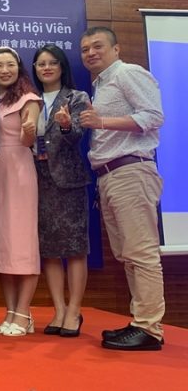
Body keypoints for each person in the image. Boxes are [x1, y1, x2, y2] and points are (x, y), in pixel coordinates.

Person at [78, 27, 165, 351]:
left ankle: (150, 329)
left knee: (141, 253)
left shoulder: (127, 73)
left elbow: (153, 116)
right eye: (85, 49)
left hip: (131, 170)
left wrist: (101, 122)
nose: (91, 53)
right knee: (128, 255)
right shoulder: (100, 85)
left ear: (116, 49)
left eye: (98, 46)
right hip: (110, 175)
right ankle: (140, 323)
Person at [0, 46, 41, 337]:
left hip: (19, 172)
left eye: (10, 65)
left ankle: (24, 313)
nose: (5, 70)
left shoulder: (29, 99)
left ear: (18, 68)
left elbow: (29, 140)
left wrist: (28, 130)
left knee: (23, 243)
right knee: (3, 245)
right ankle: (11, 311)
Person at [31, 44, 91, 338]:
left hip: (68, 181)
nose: (47, 68)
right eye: (41, 63)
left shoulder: (77, 97)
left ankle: (74, 310)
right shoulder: (30, 99)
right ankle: (58, 309)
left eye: (52, 62)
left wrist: (66, 126)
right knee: (50, 249)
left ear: (62, 66)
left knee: (75, 248)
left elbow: (78, 135)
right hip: (37, 179)